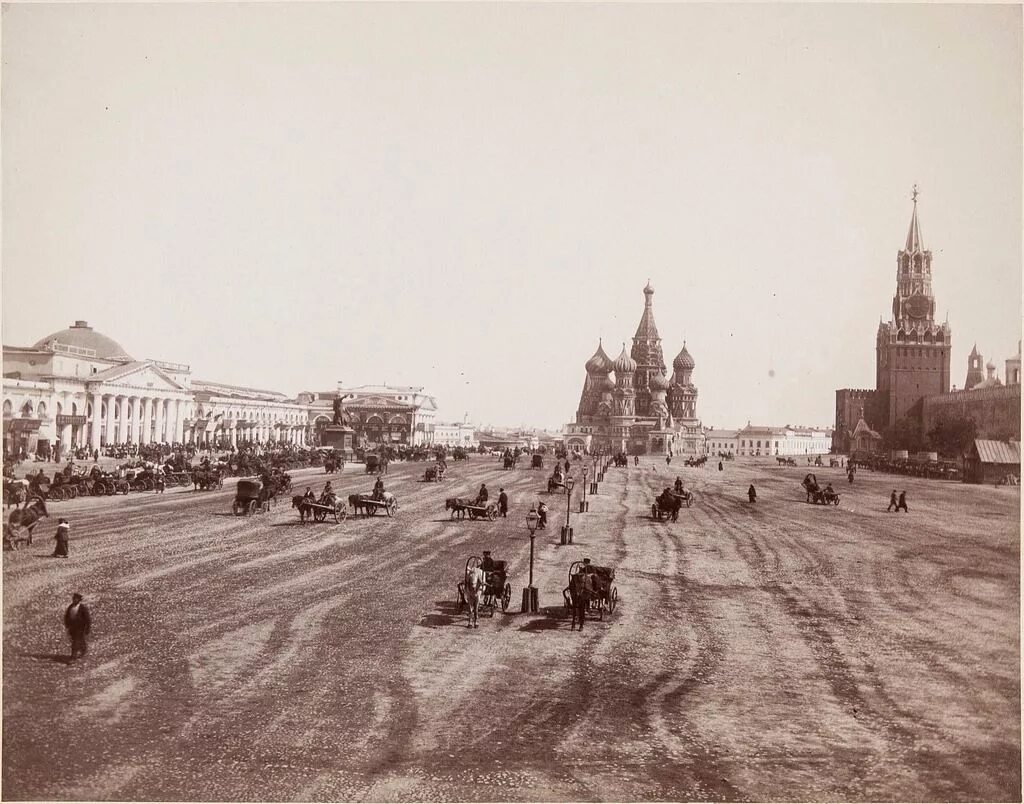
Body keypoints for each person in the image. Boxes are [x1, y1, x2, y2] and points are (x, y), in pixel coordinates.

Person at [64, 593, 92, 661]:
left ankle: (73, 657)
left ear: (79, 600)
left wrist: (87, 628)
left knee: (76, 641)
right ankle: (83, 649)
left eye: (76, 599)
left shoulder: (82, 608)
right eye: (73, 599)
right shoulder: (70, 607)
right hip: (73, 627)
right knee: (77, 640)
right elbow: (67, 616)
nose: (74, 600)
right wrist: (67, 625)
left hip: (80, 627)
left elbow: (87, 619)